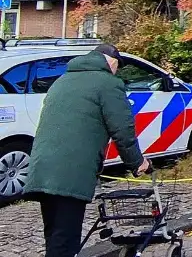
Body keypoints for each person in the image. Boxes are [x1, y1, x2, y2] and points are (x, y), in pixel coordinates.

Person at [25, 44, 149, 257]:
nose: (117, 70)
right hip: (71, 172)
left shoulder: (62, 81)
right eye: (118, 65)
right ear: (111, 61)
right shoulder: (108, 84)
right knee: (65, 242)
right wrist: (137, 163)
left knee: (55, 236)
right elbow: (123, 130)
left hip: (42, 168)